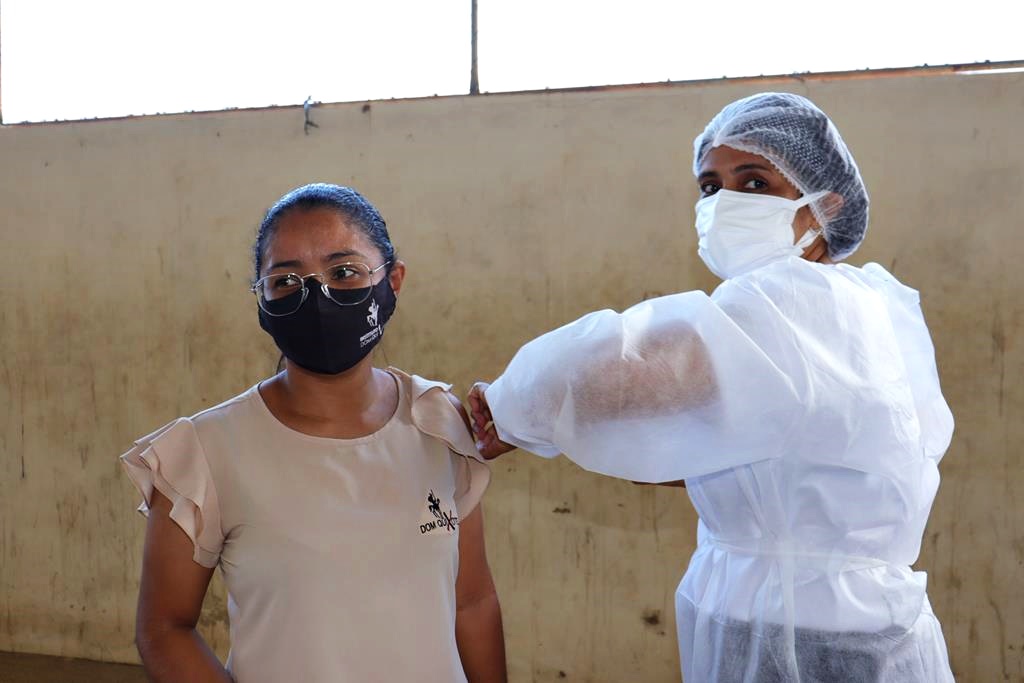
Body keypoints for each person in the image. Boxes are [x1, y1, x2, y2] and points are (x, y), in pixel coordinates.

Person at [469, 93, 954, 682]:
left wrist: (505, 408)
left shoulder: (785, 304)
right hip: (862, 626)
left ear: (823, 205)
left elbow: (604, 371)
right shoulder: (877, 305)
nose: (724, 203)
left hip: (793, 633)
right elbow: (789, 463)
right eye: (709, 186)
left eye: (753, 183)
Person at [120, 184, 506, 683]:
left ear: (393, 280)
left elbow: (472, 604)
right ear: (261, 300)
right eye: (285, 281)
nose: (316, 295)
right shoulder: (206, 452)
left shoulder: (438, 422)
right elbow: (164, 628)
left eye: (343, 272)